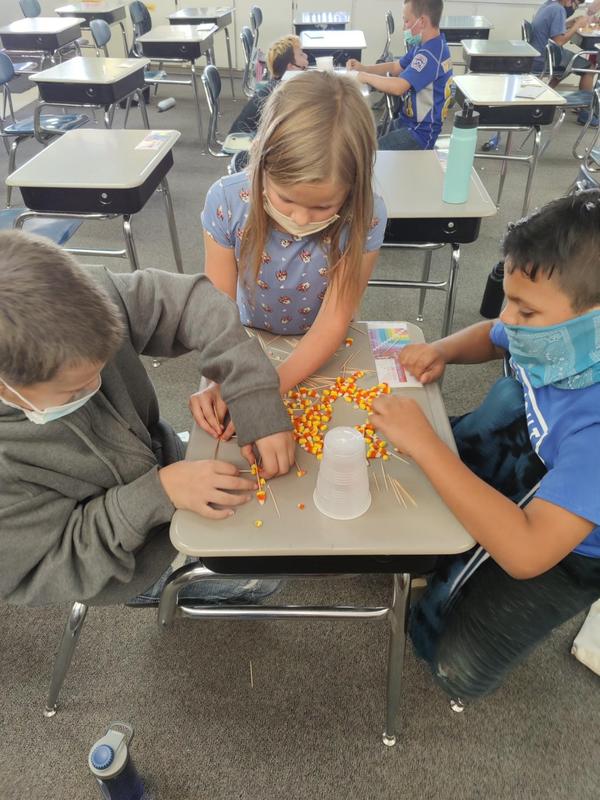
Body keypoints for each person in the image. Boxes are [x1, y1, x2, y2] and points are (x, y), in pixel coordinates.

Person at [371, 190, 600, 702]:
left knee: (454, 662)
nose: (508, 317)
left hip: (568, 551)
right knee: (395, 485)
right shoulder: (562, 334)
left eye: (527, 310)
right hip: (525, 452)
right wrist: (442, 351)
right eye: (509, 298)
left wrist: (428, 446)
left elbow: (527, 551)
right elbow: (496, 335)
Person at [0, 231, 295, 607]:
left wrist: (252, 394)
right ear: (8, 387)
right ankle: (158, 586)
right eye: (74, 392)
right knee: (263, 578)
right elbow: (52, 566)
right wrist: (160, 493)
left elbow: (193, 302)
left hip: (161, 459)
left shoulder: (83, 296)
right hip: (124, 556)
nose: (97, 385)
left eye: (102, 369)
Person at [196, 70, 387, 440]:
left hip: (321, 345)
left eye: (322, 207)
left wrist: (267, 388)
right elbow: (218, 315)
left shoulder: (367, 213)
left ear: (352, 191)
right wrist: (229, 378)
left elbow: (334, 319)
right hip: (245, 340)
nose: (299, 218)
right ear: (262, 164)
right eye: (285, 199)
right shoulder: (227, 201)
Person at [346, 0, 453, 150]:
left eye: (407, 20)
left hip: (419, 134)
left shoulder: (429, 55)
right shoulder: (426, 46)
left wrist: (364, 77)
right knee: (364, 137)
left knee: (369, 152)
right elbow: (396, 67)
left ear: (422, 21)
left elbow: (399, 87)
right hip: (407, 122)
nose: (404, 27)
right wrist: (364, 68)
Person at [228, 34, 309, 137]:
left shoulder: (279, 84)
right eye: (301, 54)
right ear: (291, 67)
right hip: (242, 144)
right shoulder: (282, 94)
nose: (306, 56)